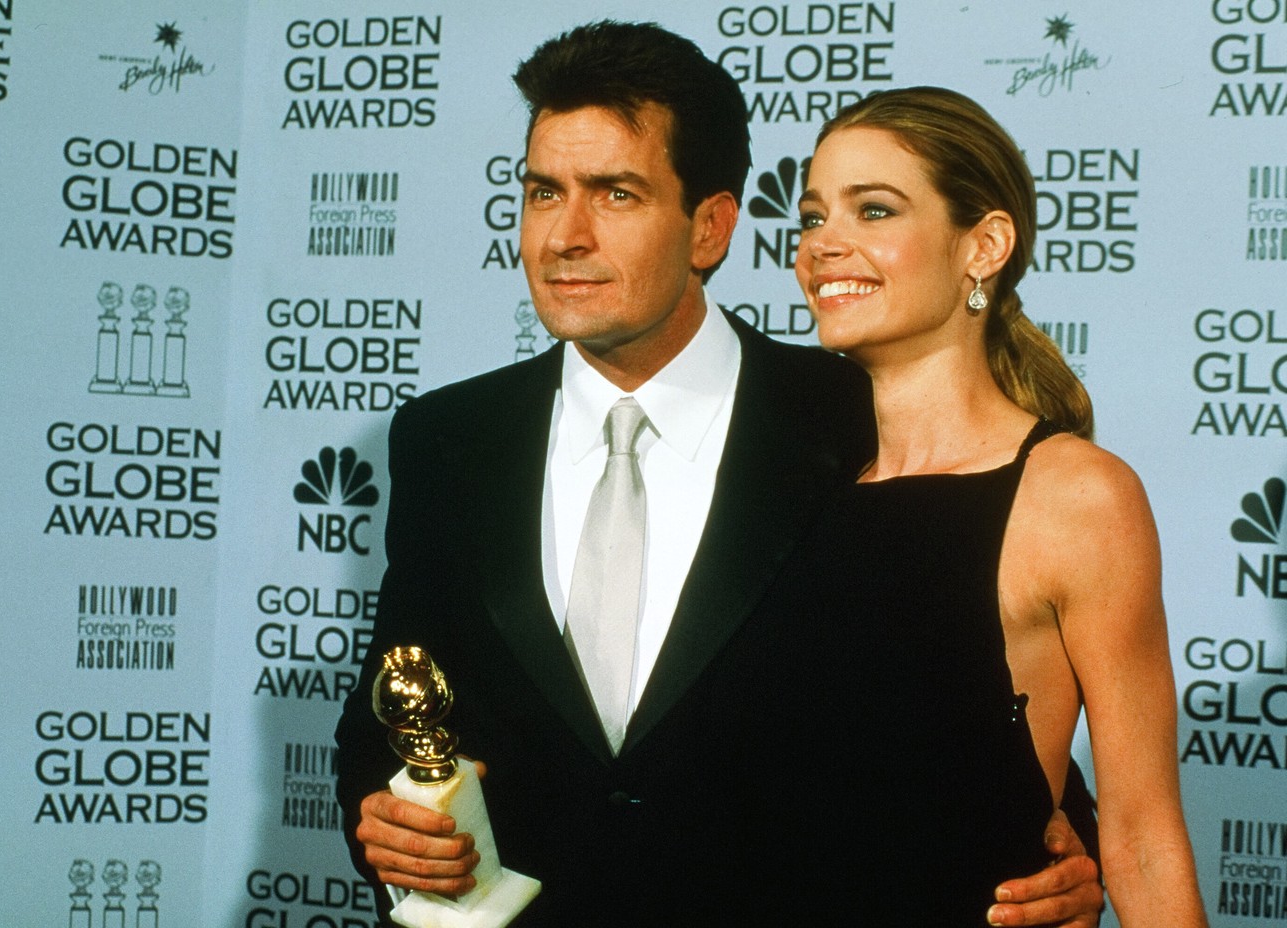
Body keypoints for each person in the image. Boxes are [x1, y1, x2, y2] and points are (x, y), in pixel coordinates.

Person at [335, 22, 1104, 927]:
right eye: (544, 193)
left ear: (710, 227)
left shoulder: (856, 420)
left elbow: (972, 709)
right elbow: (393, 702)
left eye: (615, 194)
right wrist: (381, 819)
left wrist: (1057, 850)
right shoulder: (448, 439)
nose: (565, 237)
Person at [782, 85, 1206, 925]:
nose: (824, 243)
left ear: (984, 245)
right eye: (813, 216)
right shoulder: (785, 479)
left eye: (874, 210)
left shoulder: (1075, 497)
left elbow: (1144, 837)